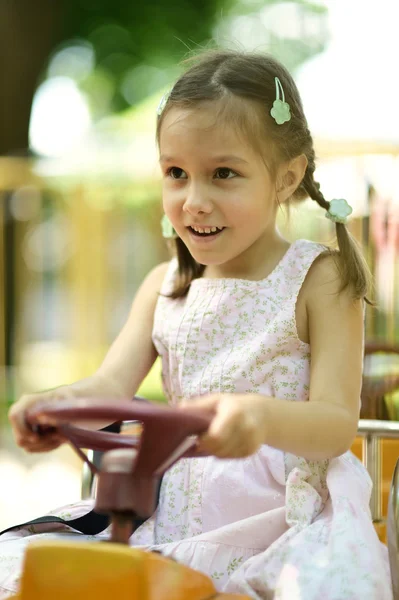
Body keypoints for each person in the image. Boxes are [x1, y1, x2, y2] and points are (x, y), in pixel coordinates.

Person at [0, 49, 392, 599]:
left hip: (280, 521)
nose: (194, 201)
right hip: (170, 516)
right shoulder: (166, 286)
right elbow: (109, 387)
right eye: (176, 174)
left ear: (287, 176)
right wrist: (53, 404)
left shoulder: (319, 279)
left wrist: (259, 416)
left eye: (223, 174)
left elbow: (334, 423)